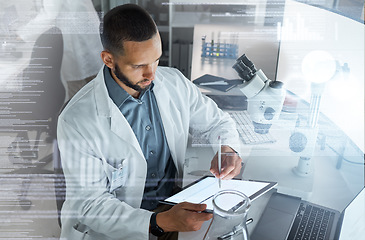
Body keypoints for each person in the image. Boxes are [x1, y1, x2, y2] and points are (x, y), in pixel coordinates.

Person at [57, 4, 243, 240]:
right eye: (138, 66)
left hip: (172, 209)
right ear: (108, 59)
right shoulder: (77, 120)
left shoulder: (173, 82)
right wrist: (160, 221)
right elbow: (91, 205)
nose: (152, 74)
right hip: (118, 229)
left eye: (155, 60)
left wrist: (227, 148)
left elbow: (218, 123)